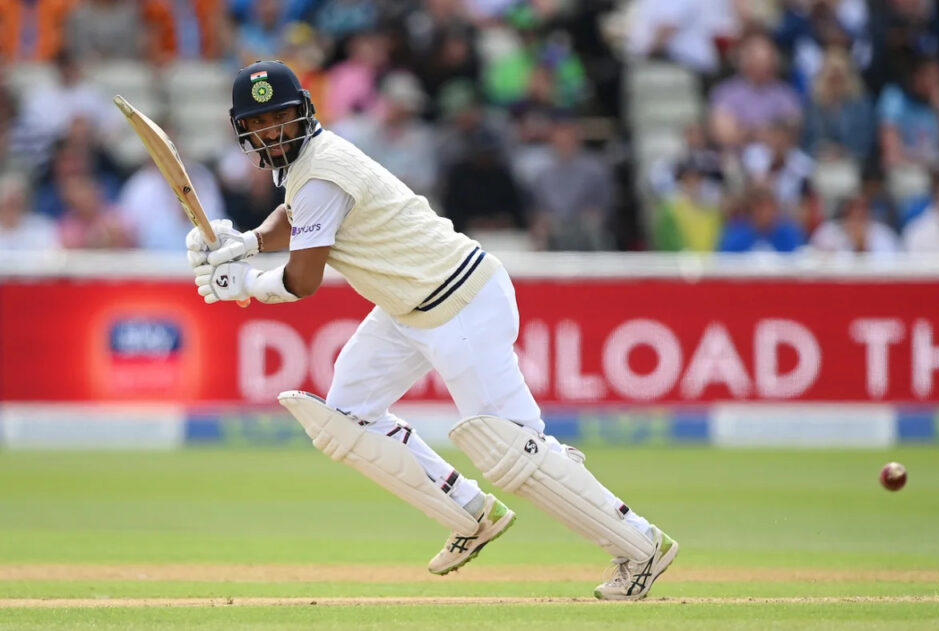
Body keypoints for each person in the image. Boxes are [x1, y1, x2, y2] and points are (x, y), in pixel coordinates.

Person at [185, 60, 677, 601]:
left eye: (279, 117)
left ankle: (639, 547)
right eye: (259, 124)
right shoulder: (307, 168)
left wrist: (246, 283)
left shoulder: (322, 169)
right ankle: (469, 511)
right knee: (344, 418)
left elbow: (303, 280)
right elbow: (295, 211)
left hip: (460, 302)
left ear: (302, 111)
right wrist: (250, 243)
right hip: (407, 309)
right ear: (244, 131)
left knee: (511, 448)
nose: (272, 132)